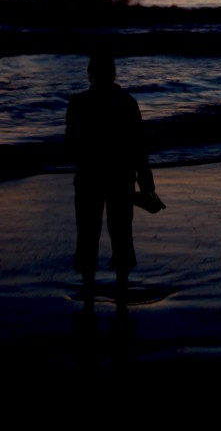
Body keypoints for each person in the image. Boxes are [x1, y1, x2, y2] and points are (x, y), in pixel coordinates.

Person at [65, 53, 156, 301]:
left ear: (90, 74)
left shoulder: (78, 103)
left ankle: (89, 288)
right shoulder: (127, 102)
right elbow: (139, 145)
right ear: (114, 74)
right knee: (121, 233)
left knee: (87, 233)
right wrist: (145, 178)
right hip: (120, 176)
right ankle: (122, 288)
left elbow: (70, 143)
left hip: (88, 176)